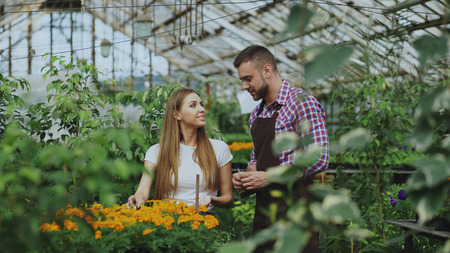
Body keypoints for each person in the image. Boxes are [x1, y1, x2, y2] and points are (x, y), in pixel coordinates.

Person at [232, 45, 329, 252]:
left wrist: (269, 177)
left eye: (248, 78)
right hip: (265, 211)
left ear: (267, 71)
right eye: (242, 80)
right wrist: (250, 174)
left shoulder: (302, 103)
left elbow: (319, 156)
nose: (244, 86)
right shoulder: (256, 114)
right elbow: (258, 155)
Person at [127, 88, 233, 213]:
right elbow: (142, 191)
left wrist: (211, 199)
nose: (202, 109)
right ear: (176, 114)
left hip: (203, 221)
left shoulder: (219, 148)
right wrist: (136, 199)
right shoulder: (156, 151)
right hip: (166, 220)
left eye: (201, 104)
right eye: (193, 105)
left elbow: (228, 199)